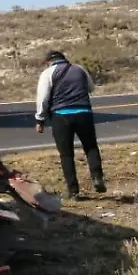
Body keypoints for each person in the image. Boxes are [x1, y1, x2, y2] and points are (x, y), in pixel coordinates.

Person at [34, 49, 106, 198]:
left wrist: (39, 119)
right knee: (91, 146)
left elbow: (42, 99)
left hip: (61, 116)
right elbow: (91, 88)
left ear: (49, 61)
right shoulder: (79, 69)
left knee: (66, 154)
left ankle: (73, 191)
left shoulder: (48, 73)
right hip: (84, 113)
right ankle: (97, 177)